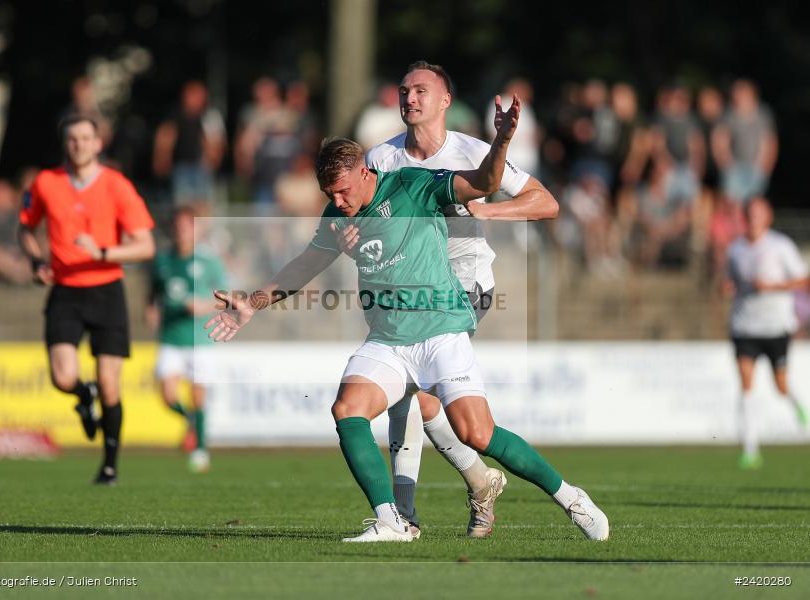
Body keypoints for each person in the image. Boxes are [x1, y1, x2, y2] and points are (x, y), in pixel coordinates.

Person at [207, 118, 608, 543]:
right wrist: (252, 303)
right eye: (330, 194)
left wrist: (503, 141)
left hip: (440, 331)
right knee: (347, 409)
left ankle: (572, 498)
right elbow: (305, 265)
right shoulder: (337, 216)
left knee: (477, 433)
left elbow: (485, 181)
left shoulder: (412, 185)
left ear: (365, 172)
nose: (338, 202)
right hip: (388, 341)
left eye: (343, 191)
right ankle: (392, 520)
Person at [348, 61, 558, 538]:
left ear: (445, 101)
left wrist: (490, 212)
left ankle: (405, 514)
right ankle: (478, 482)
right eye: (404, 90)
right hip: (404, 289)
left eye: (421, 90)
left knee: (414, 395)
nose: (409, 97)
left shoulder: (473, 151)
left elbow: (546, 202)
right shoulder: (381, 157)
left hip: (462, 285)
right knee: (417, 401)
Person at [18, 114, 155, 485]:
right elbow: (25, 228)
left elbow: (145, 245)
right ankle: (83, 393)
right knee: (63, 377)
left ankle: (109, 466)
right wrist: (36, 261)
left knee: (111, 383)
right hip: (65, 290)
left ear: (98, 143)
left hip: (106, 289)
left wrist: (103, 252)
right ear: (65, 143)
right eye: (72, 139)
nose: (79, 145)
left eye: (85, 138)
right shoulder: (46, 183)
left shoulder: (116, 185)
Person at [724, 197, 808, 469]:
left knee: (779, 385)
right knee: (746, 384)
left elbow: (804, 280)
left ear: (768, 216)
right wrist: (726, 287)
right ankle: (750, 450)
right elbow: (728, 281)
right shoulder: (735, 249)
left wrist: (772, 287)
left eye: (758, 213)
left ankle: (796, 403)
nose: (753, 218)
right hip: (744, 327)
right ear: (744, 217)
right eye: (749, 213)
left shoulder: (780, 245)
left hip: (775, 326)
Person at [146, 205, 228, 472]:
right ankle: (193, 423)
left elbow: (226, 298)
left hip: (200, 338)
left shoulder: (208, 261)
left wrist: (204, 305)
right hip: (171, 337)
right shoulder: (163, 260)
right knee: (167, 395)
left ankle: (201, 450)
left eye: (188, 226)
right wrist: (151, 309)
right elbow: (154, 292)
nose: (183, 231)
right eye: (179, 226)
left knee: (197, 396)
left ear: (198, 229)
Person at [152, 80, 227, 206]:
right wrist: (162, 158)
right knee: (183, 204)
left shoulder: (209, 116)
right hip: (181, 166)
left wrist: (213, 159)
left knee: (202, 204)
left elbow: (217, 141)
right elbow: (165, 138)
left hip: (202, 167)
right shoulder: (175, 116)